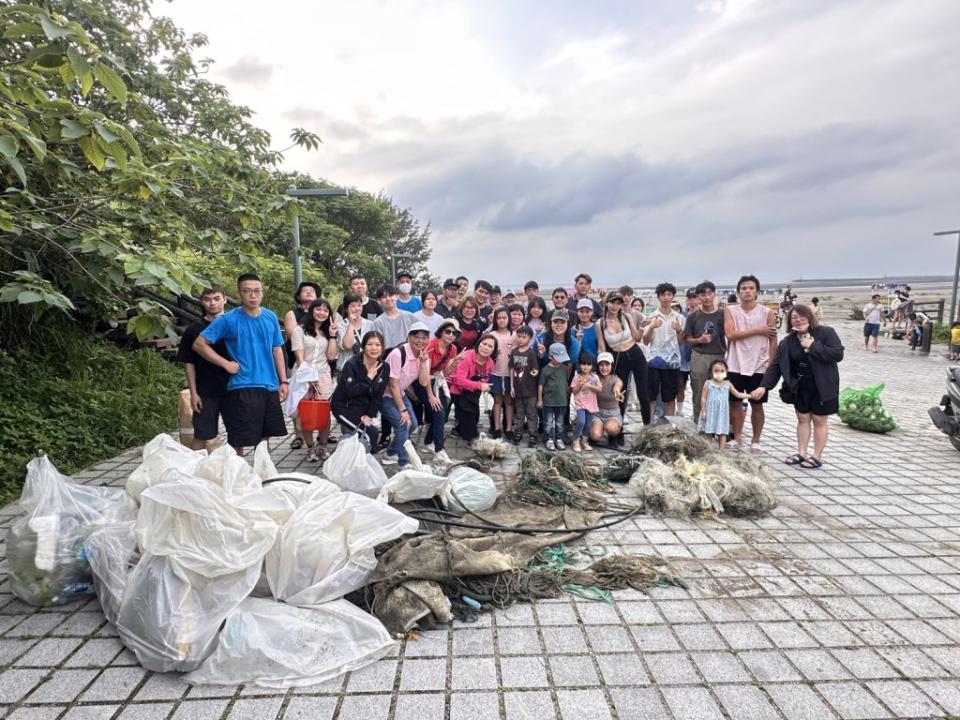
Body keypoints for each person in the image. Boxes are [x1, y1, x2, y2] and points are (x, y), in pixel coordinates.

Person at [194, 273, 288, 456]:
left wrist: (283, 380)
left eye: (257, 291)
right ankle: (238, 474)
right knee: (240, 437)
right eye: (247, 291)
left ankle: (263, 473)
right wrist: (225, 364)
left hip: (269, 385)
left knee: (265, 435)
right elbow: (199, 344)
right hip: (243, 385)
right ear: (239, 293)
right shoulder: (228, 319)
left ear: (262, 293)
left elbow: (277, 349)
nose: (253, 295)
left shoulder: (270, 317)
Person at [755, 304, 844, 469]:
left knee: (819, 420)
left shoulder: (826, 333)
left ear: (809, 316)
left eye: (801, 316)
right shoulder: (788, 341)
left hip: (822, 385)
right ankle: (801, 452)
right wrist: (764, 386)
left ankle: (816, 456)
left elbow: (837, 354)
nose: (798, 319)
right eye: (794, 317)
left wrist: (813, 345)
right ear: (790, 322)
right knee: (803, 419)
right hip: (801, 386)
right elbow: (776, 366)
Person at [724, 275, 777, 453]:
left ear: (757, 291)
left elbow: (772, 340)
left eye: (751, 288)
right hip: (735, 362)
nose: (747, 291)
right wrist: (758, 330)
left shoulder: (766, 312)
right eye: (744, 288)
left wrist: (771, 363)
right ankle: (737, 436)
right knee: (735, 402)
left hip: (759, 364)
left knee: (757, 403)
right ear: (738, 291)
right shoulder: (730, 310)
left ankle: (756, 440)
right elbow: (731, 334)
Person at [176, 285, 229, 450]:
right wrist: (193, 393)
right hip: (205, 389)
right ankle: (194, 469)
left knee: (238, 434)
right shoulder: (193, 329)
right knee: (202, 434)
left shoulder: (234, 324)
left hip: (234, 387)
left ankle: (236, 470)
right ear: (201, 302)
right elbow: (188, 362)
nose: (212, 303)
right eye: (207, 299)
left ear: (225, 300)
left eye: (216, 298)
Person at [290, 299, 339, 461]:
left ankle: (323, 446)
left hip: (323, 376)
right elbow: (299, 357)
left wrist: (332, 335)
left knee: (324, 414)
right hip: (304, 376)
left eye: (326, 311)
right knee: (306, 414)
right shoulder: (300, 330)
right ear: (311, 310)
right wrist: (308, 378)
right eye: (318, 309)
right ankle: (310, 447)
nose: (322, 313)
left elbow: (331, 356)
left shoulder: (328, 332)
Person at [380, 322, 432, 467]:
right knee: (403, 424)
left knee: (413, 424)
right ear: (409, 337)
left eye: (424, 337)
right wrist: (403, 410)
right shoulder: (398, 353)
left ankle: (390, 453)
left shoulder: (424, 357)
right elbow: (393, 385)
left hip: (399, 392)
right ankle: (404, 462)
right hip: (384, 395)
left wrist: (423, 363)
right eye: (416, 337)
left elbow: (423, 382)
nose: (420, 341)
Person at [596, 292, 650, 430]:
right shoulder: (600, 323)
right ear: (606, 303)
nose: (615, 306)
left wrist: (643, 326)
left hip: (636, 354)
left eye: (618, 303)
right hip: (618, 358)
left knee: (643, 392)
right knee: (620, 394)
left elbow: (637, 337)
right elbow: (602, 347)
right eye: (612, 302)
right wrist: (603, 367)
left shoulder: (627, 317)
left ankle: (647, 428)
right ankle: (617, 431)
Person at [331, 330, 389, 451]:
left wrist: (369, 415)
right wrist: (368, 378)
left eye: (378, 345)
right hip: (344, 407)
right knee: (370, 434)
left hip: (363, 408)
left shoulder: (384, 367)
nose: (374, 348)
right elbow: (350, 392)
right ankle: (355, 462)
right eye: (370, 344)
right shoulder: (351, 365)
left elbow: (378, 396)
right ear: (363, 347)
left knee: (367, 434)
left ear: (383, 348)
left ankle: (361, 463)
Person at [417, 317, 462, 464]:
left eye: (454, 333)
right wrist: (431, 395)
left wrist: (454, 363)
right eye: (448, 331)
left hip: (437, 380)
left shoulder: (453, 349)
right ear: (441, 332)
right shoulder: (431, 345)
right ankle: (439, 449)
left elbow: (446, 373)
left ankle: (430, 441)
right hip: (422, 381)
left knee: (442, 413)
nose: (451, 335)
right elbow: (424, 372)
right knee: (438, 411)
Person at [684, 281, 726, 422]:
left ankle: (716, 424)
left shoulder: (723, 314)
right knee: (699, 390)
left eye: (709, 293)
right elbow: (687, 339)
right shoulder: (693, 316)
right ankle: (698, 421)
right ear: (698, 297)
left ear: (715, 294)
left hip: (719, 357)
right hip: (699, 356)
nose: (707, 297)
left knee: (718, 391)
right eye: (703, 294)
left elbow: (730, 335)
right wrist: (699, 340)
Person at [449, 334, 495, 448]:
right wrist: (480, 385)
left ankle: (458, 431)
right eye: (484, 344)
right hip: (458, 391)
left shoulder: (490, 362)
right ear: (478, 344)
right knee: (469, 421)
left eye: (490, 346)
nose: (486, 347)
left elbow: (486, 379)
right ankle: (473, 441)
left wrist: (484, 385)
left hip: (472, 393)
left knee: (475, 417)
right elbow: (458, 380)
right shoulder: (467, 357)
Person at [699, 359, 749, 450]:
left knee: (722, 433)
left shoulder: (728, 384)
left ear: (726, 372)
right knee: (708, 432)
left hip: (722, 414)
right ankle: (708, 450)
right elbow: (703, 398)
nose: (719, 373)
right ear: (711, 372)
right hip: (710, 413)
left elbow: (738, 394)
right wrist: (703, 411)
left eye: (722, 371)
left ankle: (721, 452)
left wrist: (750, 395)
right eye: (716, 371)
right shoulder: (708, 384)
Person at [509, 325, 540, 446]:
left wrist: (534, 372)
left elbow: (535, 369)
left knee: (532, 413)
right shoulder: (514, 352)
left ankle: (533, 434)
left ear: (530, 338)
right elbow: (511, 369)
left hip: (530, 390)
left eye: (524, 337)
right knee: (519, 413)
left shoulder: (531, 353)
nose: (521, 339)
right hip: (518, 389)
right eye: (519, 336)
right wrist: (511, 386)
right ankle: (518, 432)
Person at [488, 307, 516, 438]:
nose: (501, 320)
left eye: (504, 317)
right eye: (498, 318)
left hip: (510, 374)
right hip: (495, 373)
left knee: (509, 401)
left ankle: (509, 428)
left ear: (509, 319)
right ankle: (497, 428)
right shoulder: (492, 335)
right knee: (497, 400)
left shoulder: (514, 335)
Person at [539, 343, 571, 451]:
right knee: (548, 422)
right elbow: (540, 385)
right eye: (558, 358)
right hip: (548, 401)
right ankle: (548, 439)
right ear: (551, 357)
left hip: (562, 401)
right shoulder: (545, 370)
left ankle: (559, 439)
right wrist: (540, 399)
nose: (560, 361)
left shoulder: (564, 368)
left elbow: (565, 382)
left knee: (560, 422)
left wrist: (568, 393)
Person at [590, 352, 625, 447]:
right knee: (595, 436)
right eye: (601, 365)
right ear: (598, 366)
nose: (604, 368)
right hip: (598, 413)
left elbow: (618, 385)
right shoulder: (594, 378)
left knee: (611, 428)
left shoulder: (616, 379)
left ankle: (613, 435)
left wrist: (617, 391)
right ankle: (597, 430)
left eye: (607, 364)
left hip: (613, 414)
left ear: (611, 365)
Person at [570, 353, 601, 453]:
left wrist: (589, 386)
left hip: (591, 404)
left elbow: (599, 389)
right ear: (579, 365)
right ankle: (576, 440)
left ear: (592, 366)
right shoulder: (577, 377)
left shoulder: (595, 377)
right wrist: (580, 384)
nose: (586, 367)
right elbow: (574, 391)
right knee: (581, 422)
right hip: (580, 404)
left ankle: (584, 440)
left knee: (588, 424)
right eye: (583, 364)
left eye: (588, 364)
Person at [337, 292, 375, 371]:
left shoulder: (370, 324)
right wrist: (351, 323)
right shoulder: (340, 325)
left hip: (366, 368)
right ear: (346, 309)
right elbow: (347, 346)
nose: (357, 308)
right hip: (347, 369)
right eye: (353, 306)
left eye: (359, 305)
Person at [373, 284, 416, 348]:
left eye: (390, 295)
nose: (388, 299)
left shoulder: (410, 316)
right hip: (388, 356)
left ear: (397, 296)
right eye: (384, 297)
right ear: (379, 301)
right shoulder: (378, 322)